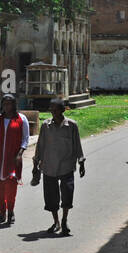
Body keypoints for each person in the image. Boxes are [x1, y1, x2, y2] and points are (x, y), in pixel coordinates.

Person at [30, 97, 85, 236]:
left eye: (56, 109)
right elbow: (40, 146)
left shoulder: (72, 125)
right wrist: (36, 163)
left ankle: (65, 219)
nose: (53, 112)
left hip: (66, 166)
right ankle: (56, 222)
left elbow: (77, 144)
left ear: (62, 110)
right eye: (51, 109)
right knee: (51, 198)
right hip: (49, 166)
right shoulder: (45, 126)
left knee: (67, 194)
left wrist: (81, 162)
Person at [0, 92, 31, 226]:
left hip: (13, 159)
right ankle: (1, 213)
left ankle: (10, 212)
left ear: (14, 105)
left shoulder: (21, 119)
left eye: (10, 104)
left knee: (11, 187)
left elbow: (25, 138)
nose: (7, 106)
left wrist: (20, 153)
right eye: (5, 104)